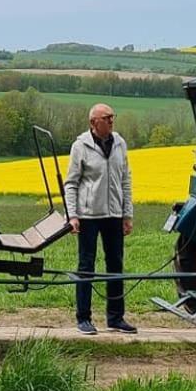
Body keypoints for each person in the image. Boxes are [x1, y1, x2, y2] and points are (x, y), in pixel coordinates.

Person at [64, 103, 137, 335]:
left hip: (114, 214)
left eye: (113, 117)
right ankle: (83, 318)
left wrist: (127, 214)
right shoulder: (80, 146)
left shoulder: (120, 143)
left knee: (115, 265)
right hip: (88, 216)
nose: (112, 121)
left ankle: (116, 318)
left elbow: (125, 180)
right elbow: (71, 183)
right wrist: (72, 215)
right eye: (107, 117)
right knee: (86, 265)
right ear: (94, 122)